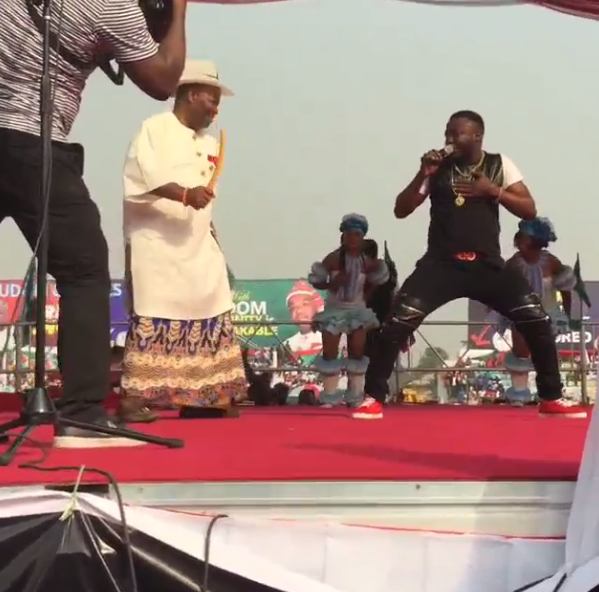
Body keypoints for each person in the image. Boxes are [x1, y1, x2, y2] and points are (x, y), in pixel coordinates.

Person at [0, 0, 187, 447]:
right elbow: (163, 81)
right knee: (83, 271)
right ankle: (82, 415)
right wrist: (179, 12)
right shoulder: (112, 6)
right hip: (29, 140)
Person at [359, 110, 586, 420]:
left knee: (536, 320)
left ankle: (551, 397)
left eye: (457, 133)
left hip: (488, 266)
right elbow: (401, 210)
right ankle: (372, 397)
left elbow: (529, 210)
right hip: (441, 264)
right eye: (447, 133)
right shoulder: (436, 168)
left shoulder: (499, 164)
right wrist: (423, 173)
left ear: (477, 136)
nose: (449, 139)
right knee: (397, 322)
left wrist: (494, 192)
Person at [120, 59, 247, 420]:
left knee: (213, 306)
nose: (215, 110)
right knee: (155, 312)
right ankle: (135, 398)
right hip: (157, 245)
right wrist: (184, 194)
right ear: (192, 95)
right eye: (211, 100)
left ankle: (205, 396)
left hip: (199, 244)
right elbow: (142, 175)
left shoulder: (209, 142)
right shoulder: (155, 128)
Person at [489, 218, 575, 405]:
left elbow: (565, 289)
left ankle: (549, 394)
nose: (521, 242)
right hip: (522, 315)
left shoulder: (551, 262)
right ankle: (519, 394)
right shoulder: (513, 264)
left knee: (546, 353)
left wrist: (567, 315)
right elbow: (501, 291)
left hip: (548, 314)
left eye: (525, 239)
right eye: (520, 238)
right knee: (521, 351)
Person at [308, 214, 389, 409]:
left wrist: (366, 295)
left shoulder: (367, 262)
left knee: (357, 352)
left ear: (362, 238)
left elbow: (377, 281)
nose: (352, 238)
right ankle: (329, 396)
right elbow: (317, 280)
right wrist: (332, 284)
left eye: (356, 235)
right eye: (349, 234)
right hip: (334, 311)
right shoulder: (333, 258)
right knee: (329, 353)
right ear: (343, 236)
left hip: (357, 312)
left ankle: (355, 396)